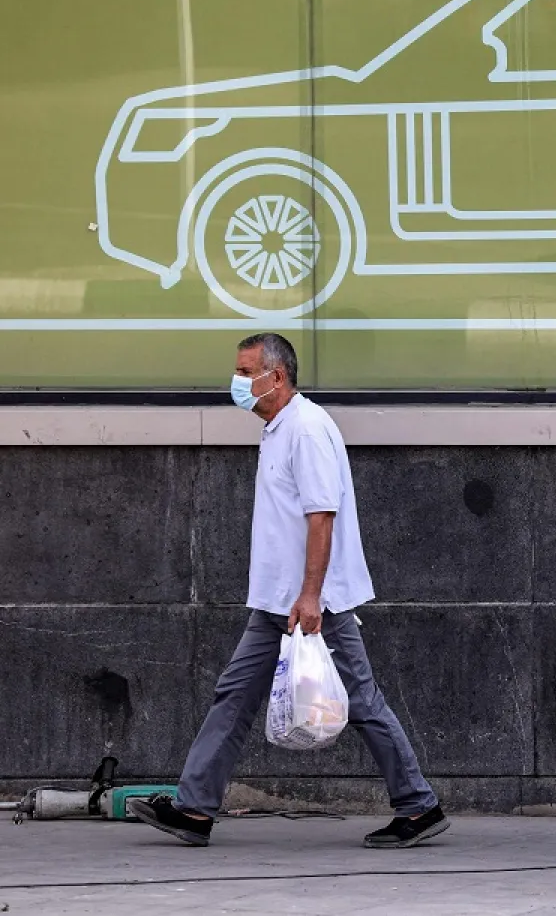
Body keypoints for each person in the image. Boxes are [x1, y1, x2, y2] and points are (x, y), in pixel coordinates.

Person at [130, 334, 448, 849]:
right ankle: (193, 809)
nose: (237, 382)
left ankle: (419, 805)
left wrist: (310, 595)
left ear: (275, 376)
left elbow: (321, 515)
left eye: (245, 371)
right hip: (278, 600)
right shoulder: (279, 429)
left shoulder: (306, 428)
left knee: (361, 700)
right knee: (234, 695)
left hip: (314, 601)